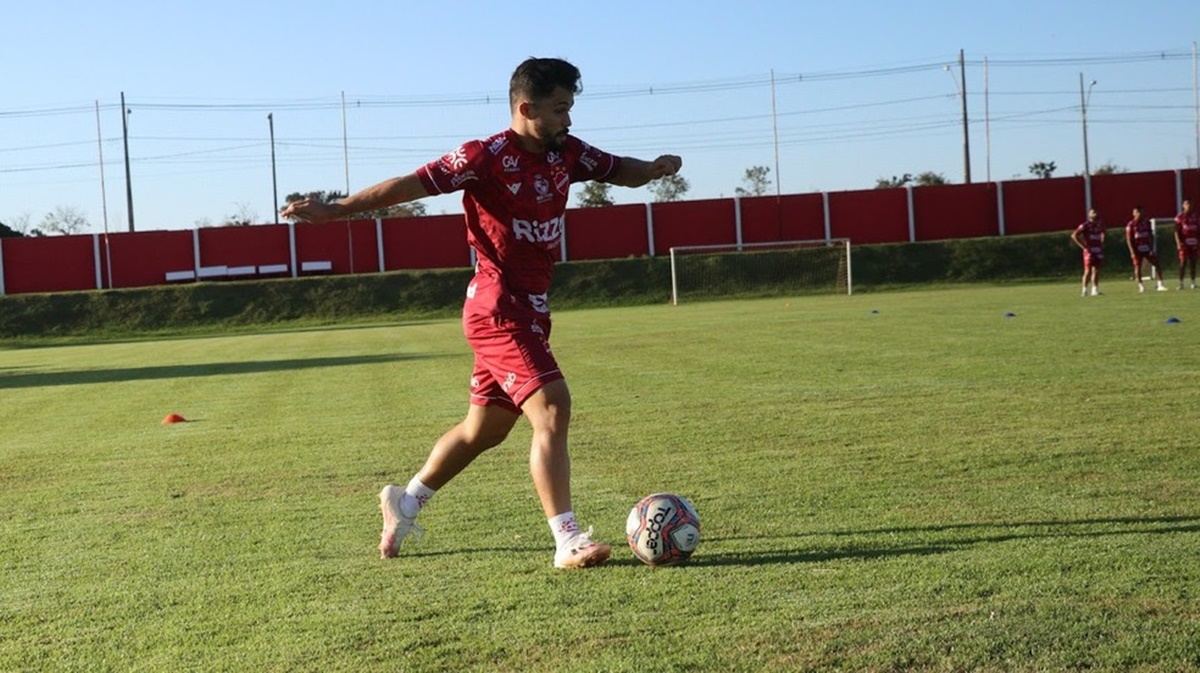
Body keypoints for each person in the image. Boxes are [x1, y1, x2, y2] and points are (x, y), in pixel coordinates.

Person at [281, 57, 682, 569]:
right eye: (560, 109)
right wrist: (336, 210)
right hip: (497, 306)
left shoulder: (568, 152)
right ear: (525, 107)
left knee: (486, 429)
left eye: (571, 109)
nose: (569, 120)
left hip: (532, 309)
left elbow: (616, 169)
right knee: (553, 407)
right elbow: (408, 185)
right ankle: (567, 539)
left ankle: (404, 503)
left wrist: (651, 170)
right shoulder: (484, 156)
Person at [1124, 205, 1167, 293]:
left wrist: (1151, 248)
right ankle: (1141, 286)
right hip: (1137, 249)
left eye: (1141, 212)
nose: (1140, 214)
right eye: (1138, 212)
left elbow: (1151, 235)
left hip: (1147, 248)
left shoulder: (1146, 222)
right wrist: (1132, 251)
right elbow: (1129, 239)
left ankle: (1160, 285)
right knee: (1138, 267)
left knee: (1157, 264)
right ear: (1134, 213)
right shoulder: (1131, 225)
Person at [1071, 207, 1105, 297]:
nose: (1095, 214)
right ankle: (1084, 290)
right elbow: (1074, 235)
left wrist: (1101, 243)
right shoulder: (1085, 225)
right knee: (1087, 271)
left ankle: (1095, 290)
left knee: (1096, 270)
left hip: (1098, 250)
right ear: (1089, 215)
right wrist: (1083, 247)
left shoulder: (1100, 225)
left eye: (1096, 212)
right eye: (1093, 212)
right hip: (1089, 251)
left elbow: (1103, 233)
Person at [1175, 199, 1199, 290]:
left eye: (1190, 204)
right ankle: (1180, 283)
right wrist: (1178, 242)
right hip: (1184, 243)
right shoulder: (1180, 217)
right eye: (1187, 204)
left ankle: (1193, 282)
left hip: (1194, 243)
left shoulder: (1196, 216)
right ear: (1183, 206)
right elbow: (1176, 231)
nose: (1189, 205)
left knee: (1193, 263)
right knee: (1183, 262)